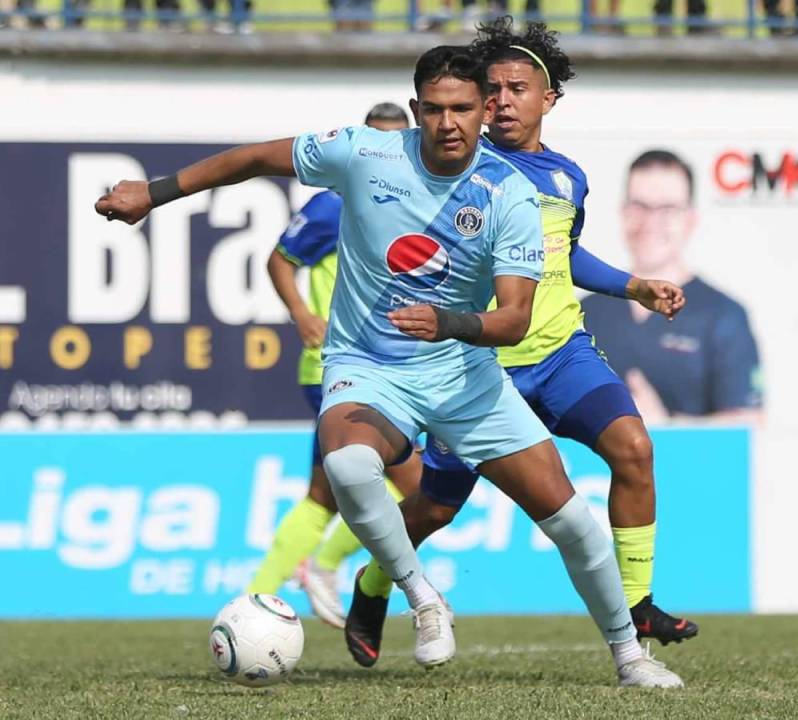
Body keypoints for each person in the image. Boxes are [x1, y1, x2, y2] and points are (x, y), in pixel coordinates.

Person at [94, 44, 680, 688]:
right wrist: (152, 193)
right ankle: (421, 598)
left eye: (461, 109)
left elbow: (513, 318)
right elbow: (253, 158)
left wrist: (449, 323)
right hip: (368, 366)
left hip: (466, 375)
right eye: (433, 110)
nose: (448, 123)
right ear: (415, 110)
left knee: (570, 520)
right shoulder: (364, 153)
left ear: (483, 112)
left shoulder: (510, 192)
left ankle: (630, 656)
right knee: (347, 464)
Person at [345, 18, 695, 678]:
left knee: (635, 449)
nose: (502, 100)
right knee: (435, 509)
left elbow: (564, 254)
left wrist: (633, 286)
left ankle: (638, 603)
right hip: (481, 366)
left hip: (562, 352)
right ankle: (372, 585)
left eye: (516, 88)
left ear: (548, 99)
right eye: (493, 90)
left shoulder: (568, 177)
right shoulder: (459, 166)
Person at [246, 102, 419, 630]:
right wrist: (300, 314)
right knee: (420, 487)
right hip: (337, 366)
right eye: (380, 143)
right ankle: (323, 565)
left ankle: (254, 601)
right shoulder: (333, 206)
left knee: (322, 496)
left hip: (389, 366)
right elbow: (280, 259)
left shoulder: (414, 201)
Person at [581, 150, 764, 424]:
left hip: (689, 467)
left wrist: (666, 427)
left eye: (667, 210)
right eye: (639, 207)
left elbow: (749, 423)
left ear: (690, 220)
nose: (650, 223)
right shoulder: (582, 313)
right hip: (591, 468)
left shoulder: (723, 316)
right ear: (623, 213)